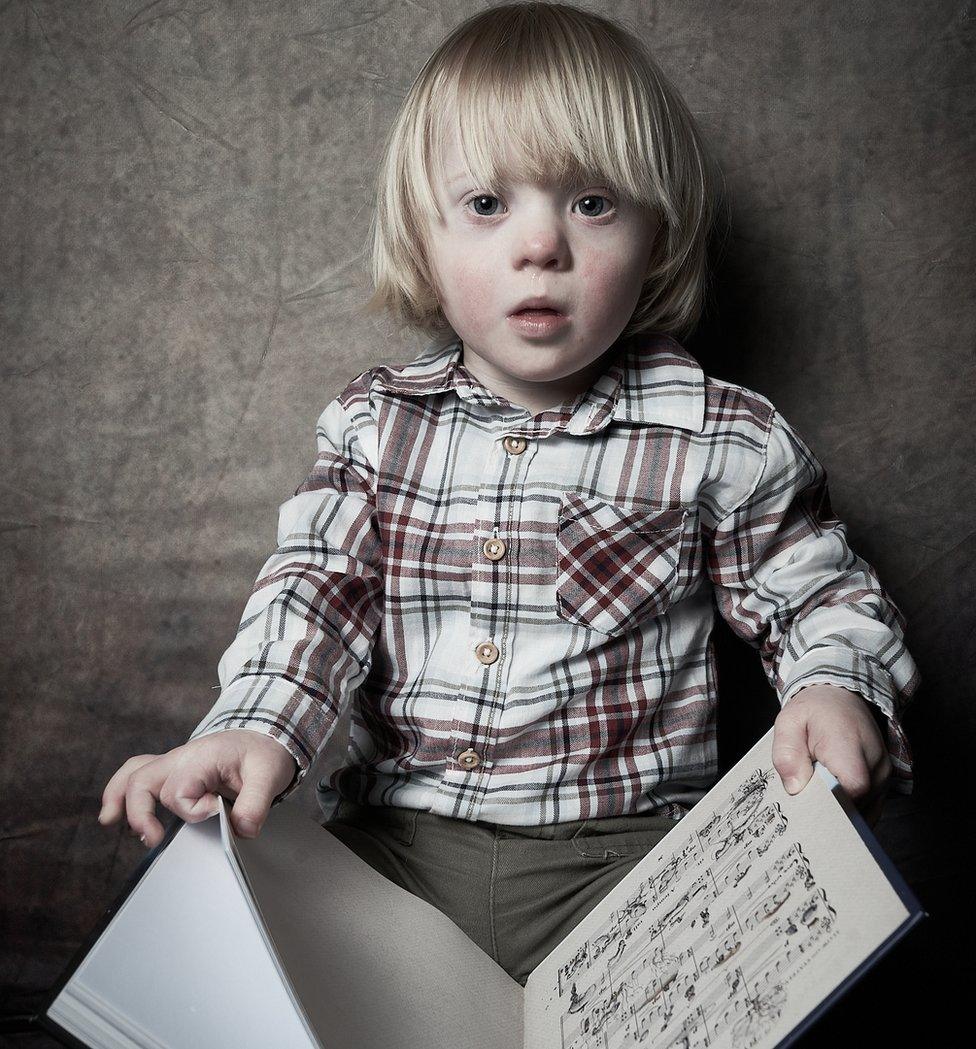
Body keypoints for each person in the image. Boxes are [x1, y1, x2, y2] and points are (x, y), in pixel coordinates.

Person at [98, 2, 919, 986]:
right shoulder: (375, 425)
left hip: (628, 864)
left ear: (659, 234)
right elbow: (314, 594)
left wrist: (834, 687)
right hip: (395, 849)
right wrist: (255, 723)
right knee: (249, 971)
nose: (541, 246)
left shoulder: (717, 433)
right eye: (488, 204)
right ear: (425, 236)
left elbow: (818, 592)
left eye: (593, 203)